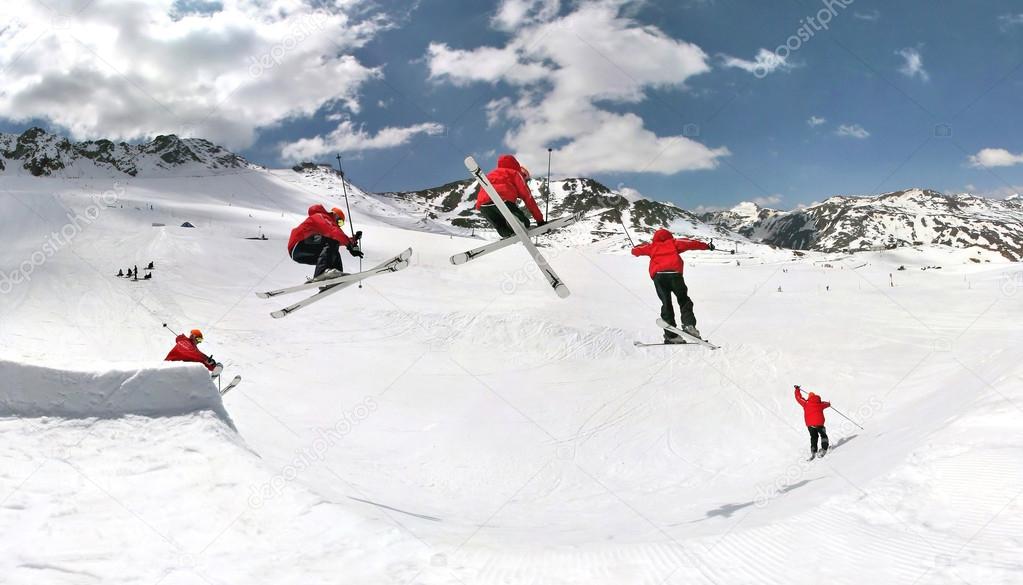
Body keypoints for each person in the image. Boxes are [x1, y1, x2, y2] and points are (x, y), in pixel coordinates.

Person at [631, 229, 713, 343]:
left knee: (666, 303)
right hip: (675, 275)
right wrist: (707, 246)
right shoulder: (674, 243)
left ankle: (671, 336)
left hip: (659, 277)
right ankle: (689, 325)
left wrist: (635, 249)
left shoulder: (651, 246)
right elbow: (691, 244)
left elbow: (635, 252)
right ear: (669, 236)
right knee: (684, 300)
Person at [475, 154, 545, 238]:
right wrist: (540, 220)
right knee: (525, 222)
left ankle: (506, 232)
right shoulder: (516, 173)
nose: (525, 179)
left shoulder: (491, 174)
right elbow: (528, 198)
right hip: (503, 201)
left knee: (501, 226)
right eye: (525, 176)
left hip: (484, 206)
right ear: (519, 169)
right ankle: (517, 224)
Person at [287, 204, 363, 281]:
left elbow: (337, 239)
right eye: (339, 221)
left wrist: (353, 240)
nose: (339, 225)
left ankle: (334, 277)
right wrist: (349, 245)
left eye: (341, 224)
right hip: (299, 245)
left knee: (334, 252)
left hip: (300, 253)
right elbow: (335, 232)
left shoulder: (325, 226)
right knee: (333, 242)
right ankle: (321, 274)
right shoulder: (321, 216)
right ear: (334, 215)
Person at [794, 385, 831, 459]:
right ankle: (824, 449)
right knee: (823, 435)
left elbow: (798, 398)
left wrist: (797, 389)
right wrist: (829, 404)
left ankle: (813, 451)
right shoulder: (820, 404)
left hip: (810, 425)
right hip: (820, 424)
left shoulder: (806, 403)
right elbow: (827, 404)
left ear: (809, 397)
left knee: (814, 437)